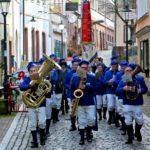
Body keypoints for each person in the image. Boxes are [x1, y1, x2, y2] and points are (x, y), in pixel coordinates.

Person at [116, 64, 148, 144]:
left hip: (137, 103)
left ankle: (137, 132)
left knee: (140, 121)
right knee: (128, 121)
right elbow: (117, 90)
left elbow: (145, 89)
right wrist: (123, 88)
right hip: (127, 103)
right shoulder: (124, 79)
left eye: (130, 70)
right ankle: (130, 137)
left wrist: (140, 90)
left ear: (133, 71)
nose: (129, 72)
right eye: (127, 71)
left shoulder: (140, 78)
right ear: (125, 72)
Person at [20, 62, 47, 148]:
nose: (33, 72)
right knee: (33, 124)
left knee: (42, 122)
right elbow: (21, 87)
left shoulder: (42, 78)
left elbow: (48, 87)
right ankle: (35, 141)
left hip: (41, 104)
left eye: (35, 70)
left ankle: (42, 137)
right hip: (31, 104)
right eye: (31, 71)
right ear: (29, 72)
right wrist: (29, 85)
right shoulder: (27, 79)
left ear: (37, 71)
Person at [70, 60, 96, 145]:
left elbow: (95, 88)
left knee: (91, 120)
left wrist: (86, 87)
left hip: (89, 102)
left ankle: (88, 134)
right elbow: (72, 89)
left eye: (86, 68)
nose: (84, 69)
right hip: (80, 103)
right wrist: (73, 99)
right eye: (83, 68)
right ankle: (82, 138)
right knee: (81, 121)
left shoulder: (91, 77)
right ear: (79, 68)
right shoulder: (75, 77)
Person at [64, 58, 81, 131]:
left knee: (80, 110)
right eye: (74, 65)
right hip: (71, 94)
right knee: (72, 110)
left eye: (77, 65)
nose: (75, 66)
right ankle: (73, 125)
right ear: (72, 65)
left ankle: (80, 125)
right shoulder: (69, 73)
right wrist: (70, 88)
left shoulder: (81, 73)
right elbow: (65, 83)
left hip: (80, 94)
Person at [115, 60, 128, 131]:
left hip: (126, 97)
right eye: (122, 67)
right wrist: (121, 80)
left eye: (124, 67)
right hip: (119, 95)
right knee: (120, 111)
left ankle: (125, 126)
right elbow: (116, 82)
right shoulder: (118, 74)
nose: (123, 69)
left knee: (126, 113)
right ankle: (123, 125)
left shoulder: (127, 75)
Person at [104, 60, 119, 125]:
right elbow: (104, 82)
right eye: (113, 66)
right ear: (111, 66)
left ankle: (116, 120)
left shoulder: (119, 72)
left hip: (117, 91)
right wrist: (109, 82)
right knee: (110, 106)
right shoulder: (107, 72)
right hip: (109, 91)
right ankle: (110, 118)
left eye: (115, 66)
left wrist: (115, 81)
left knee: (117, 107)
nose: (114, 67)